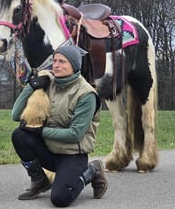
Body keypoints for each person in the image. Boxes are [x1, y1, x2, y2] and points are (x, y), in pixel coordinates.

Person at [11, 45, 108, 207]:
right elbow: (15, 115)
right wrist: (32, 86)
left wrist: (40, 131)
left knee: (60, 199)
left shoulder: (86, 95)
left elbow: (75, 134)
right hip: (50, 151)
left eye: (62, 62)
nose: (56, 65)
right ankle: (40, 181)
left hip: (72, 155)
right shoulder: (48, 84)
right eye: (55, 61)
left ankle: (91, 171)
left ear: (74, 66)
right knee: (19, 134)